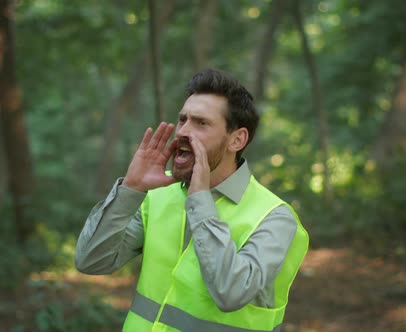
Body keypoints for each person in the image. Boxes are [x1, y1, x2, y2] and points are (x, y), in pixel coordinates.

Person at [75, 68, 309, 332]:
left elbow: (231, 293)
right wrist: (130, 189)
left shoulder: (275, 217)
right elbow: (91, 261)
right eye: (183, 120)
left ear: (237, 139)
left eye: (201, 123)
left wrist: (200, 201)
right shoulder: (158, 195)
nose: (183, 131)